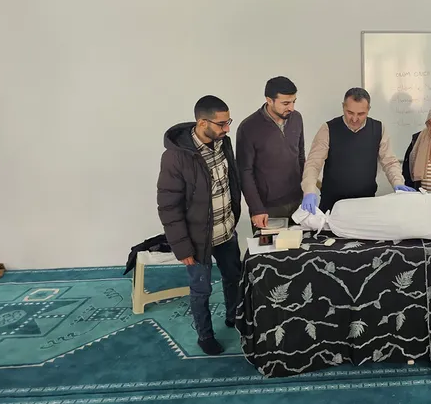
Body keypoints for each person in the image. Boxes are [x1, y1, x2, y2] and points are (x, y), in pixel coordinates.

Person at [157, 96, 242, 356]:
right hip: (197, 239)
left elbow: (231, 181)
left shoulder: (224, 143)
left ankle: (234, 317)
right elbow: (168, 206)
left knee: (234, 277)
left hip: (226, 230)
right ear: (202, 122)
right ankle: (205, 336)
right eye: (221, 124)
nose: (227, 128)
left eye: (228, 122)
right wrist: (182, 248)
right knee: (201, 290)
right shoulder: (175, 157)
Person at [301, 87, 415, 213]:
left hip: (365, 203)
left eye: (361, 114)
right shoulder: (328, 129)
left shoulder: (378, 129)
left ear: (368, 109)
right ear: (343, 107)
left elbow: (389, 162)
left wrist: (398, 182)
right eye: (350, 113)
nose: (354, 119)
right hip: (332, 204)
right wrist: (309, 191)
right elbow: (313, 164)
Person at [237, 76, 305, 232]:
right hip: (268, 208)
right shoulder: (248, 127)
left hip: (298, 203)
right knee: (270, 248)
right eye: (286, 103)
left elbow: (300, 157)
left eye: (294, 102)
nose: (291, 108)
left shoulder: (296, 118)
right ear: (269, 100)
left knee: (301, 246)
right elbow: (245, 172)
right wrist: (256, 208)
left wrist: (307, 191)